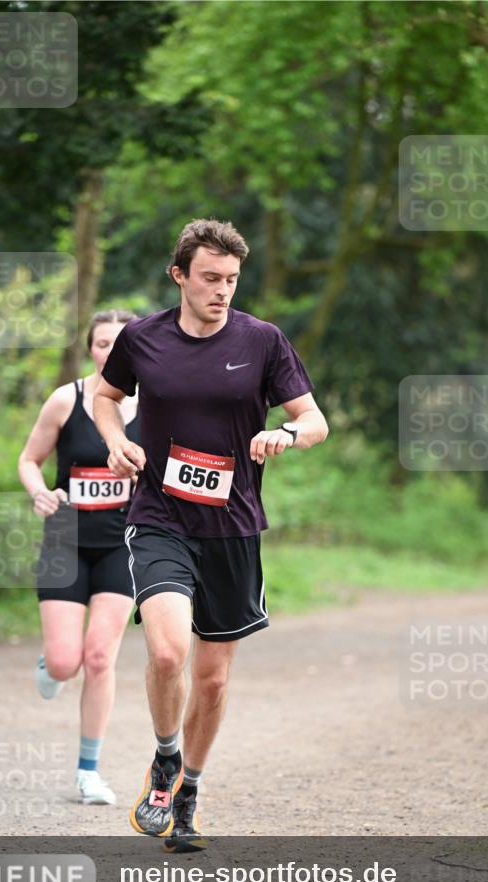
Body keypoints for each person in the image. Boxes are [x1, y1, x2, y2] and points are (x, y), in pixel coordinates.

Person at [93, 219, 328, 850]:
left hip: (232, 526)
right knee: (168, 653)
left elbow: (315, 421)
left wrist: (286, 434)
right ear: (180, 277)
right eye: (209, 279)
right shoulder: (143, 338)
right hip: (160, 515)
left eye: (231, 280)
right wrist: (116, 440)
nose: (221, 291)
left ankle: (189, 791)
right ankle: (165, 759)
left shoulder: (263, 341)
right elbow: (105, 395)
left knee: (214, 680)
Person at [18, 310, 141, 805]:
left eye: (121, 344)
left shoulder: (153, 407)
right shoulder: (65, 399)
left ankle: (89, 772)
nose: (111, 352)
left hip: (122, 543)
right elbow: (30, 460)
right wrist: (40, 492)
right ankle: (52, 665)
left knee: (99, 657)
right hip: (64, 540)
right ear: (91, 348)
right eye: (102, 343)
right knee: (68, 663)